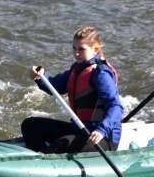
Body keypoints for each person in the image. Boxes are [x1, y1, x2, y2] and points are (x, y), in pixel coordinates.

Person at [22, 26, 123, 154]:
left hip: (101, 139)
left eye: (81, 49)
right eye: (74, 48)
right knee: (30, 125)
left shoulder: (101, 74)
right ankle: (40, 159)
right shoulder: (77, 68)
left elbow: (116, 107)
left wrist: (101, 131)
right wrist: (39, 77)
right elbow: (55, 86)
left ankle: (41, 161)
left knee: (62, 143)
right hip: (80, 130)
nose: (76, 53)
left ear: (95, 50)